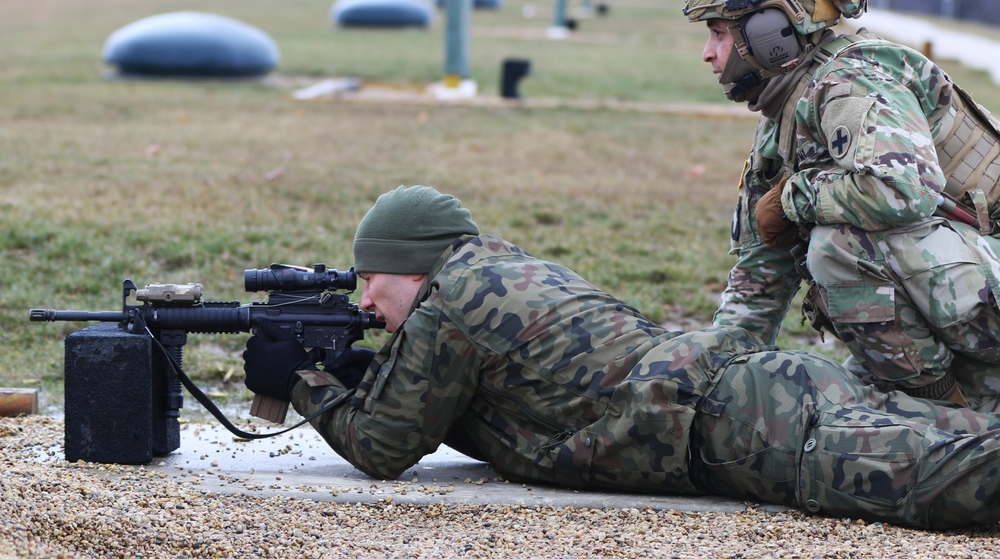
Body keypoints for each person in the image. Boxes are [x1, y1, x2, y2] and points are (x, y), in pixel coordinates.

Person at [244, 185, 1000, 530]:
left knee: (964, 482)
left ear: (413, 267)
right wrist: (358, 372)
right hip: (767, 388)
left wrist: (301, 383)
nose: (368, 305)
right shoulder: (499, 271)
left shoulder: (453, 305)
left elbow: (382, 447)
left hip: (756, 433)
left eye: (371, 283)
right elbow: (468, 395)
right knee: (968, 432)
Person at [682, 0, 1000, 410]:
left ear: (770, 35)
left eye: (719, 33)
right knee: (842, 395)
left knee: (839, 247)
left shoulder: (852, 82)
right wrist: (711, 371)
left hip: (982, 282)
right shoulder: (784, 115)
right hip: (970, 292)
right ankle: (937, 395)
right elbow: (761, 265)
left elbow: (903, 191)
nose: (708, 53)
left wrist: (796, 198)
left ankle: (945, 411)